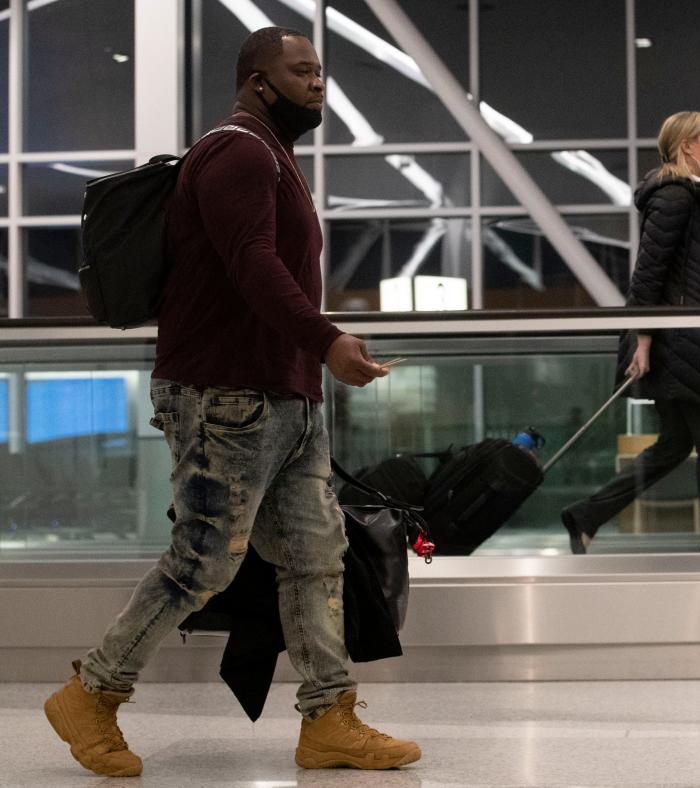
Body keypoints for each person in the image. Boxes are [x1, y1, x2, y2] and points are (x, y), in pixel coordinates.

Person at [42, 28, 421, 776]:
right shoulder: (238, 152)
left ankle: (329, 718)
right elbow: (252, 262)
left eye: (320, 71)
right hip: (224, 393)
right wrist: (326, 339)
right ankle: (91, 692)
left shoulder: (274, 156)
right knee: (204, 559)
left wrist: (308, 362)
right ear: (256, 80)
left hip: (283, 393)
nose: (317, 83)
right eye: (301, 71)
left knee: (316, 557)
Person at [561, 111, 700, 554]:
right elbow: (648, 271)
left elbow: (690, 275)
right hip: (679, 341)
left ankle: (586, 514)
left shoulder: (694, 195)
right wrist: (643, 338)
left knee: (676, 444)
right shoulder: (676, 195)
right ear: (687, 146)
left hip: (686, 336)